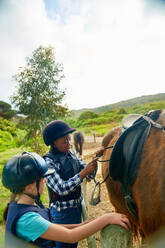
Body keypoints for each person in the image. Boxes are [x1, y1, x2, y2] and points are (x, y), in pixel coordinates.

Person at [2, 152, 130, 248]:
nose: (45, 181)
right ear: (29, 187)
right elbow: (70, 237)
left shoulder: (21, 206)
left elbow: (50, 228)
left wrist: (78, 226)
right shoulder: (28, 220)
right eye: (42, 179)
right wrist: (106, 218)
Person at [42, 120, 104, 248]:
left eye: (69, 140)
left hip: (76, 209)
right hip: (62, 213)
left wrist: (93, 162)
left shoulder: (70, 153)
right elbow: (61, 189)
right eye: (65, 141)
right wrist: (84, 173)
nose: (69, 144)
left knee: (72, 244)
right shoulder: (48, 162)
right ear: (54, 143)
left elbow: (86, 171)